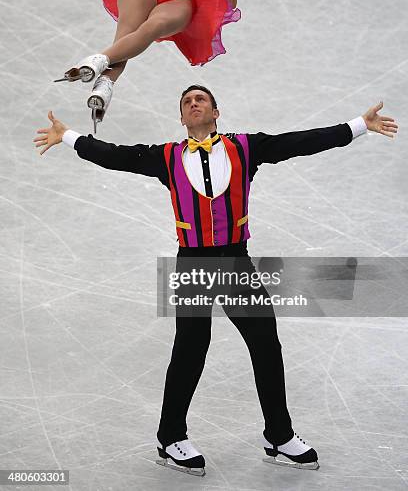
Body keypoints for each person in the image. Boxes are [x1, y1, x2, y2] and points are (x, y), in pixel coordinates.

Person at [33, 87, 398, 477]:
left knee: (265, 345)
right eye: (186, 102)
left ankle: (279, 434)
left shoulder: (246, 148)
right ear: (182, 119)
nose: (193, 103)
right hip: (194, 264)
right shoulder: (166, 157)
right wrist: (69, 136)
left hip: (236, 262)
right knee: (191, 350)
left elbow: (300, 143)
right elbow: (116, 156)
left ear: (216, 112)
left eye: (200, 99)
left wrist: (359, 125)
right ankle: (170, 436)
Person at [54, 0, 254, 132]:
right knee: (125, 37)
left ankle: (98, 60)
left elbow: (229, 4)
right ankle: (105, 85)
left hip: (181, 3)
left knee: (151, 28)